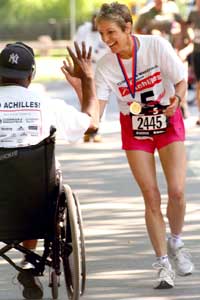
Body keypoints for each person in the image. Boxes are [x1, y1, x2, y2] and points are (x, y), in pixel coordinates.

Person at [63, 2, 194, 290]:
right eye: (101, 33)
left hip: (166, 119)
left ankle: (176, 241)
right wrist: (81, 87)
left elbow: (181, 81)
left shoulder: (155, 47)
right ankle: (162, 263)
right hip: (134, 128)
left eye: (111, 32)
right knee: (150, 195)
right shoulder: (107, 66)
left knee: (177, 191)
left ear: (128, 28)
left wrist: (176, 100)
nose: (106, 40)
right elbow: (94, 119)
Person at [0, 41, 98, 299]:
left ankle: (29, 262)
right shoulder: (46, 104)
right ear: (31, 76)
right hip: (37, 205)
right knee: (31, 180)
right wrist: (86, 79)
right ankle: (30, 264)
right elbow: (92, 123)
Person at [74, 12, 108, 142]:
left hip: (99, 69)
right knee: (84, 99)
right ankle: (87, 130)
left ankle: (97, 130)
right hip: (84, 67)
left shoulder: (104, 33)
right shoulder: (84, 30)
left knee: (99, 98)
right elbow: (76, 44)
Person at [187, 0, 200, 125]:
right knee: (198, 85)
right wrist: (190, 34)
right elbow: (188, 27)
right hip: (197, 52)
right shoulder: (193, 13)